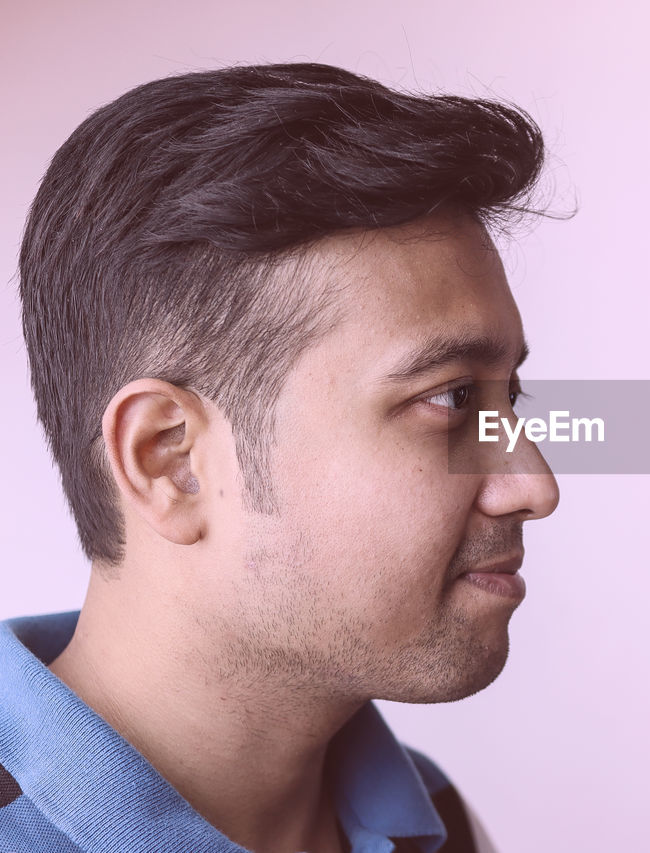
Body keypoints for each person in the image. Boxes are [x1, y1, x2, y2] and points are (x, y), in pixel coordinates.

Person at [0, 62, 560, 853]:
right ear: (170, 459)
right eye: (453, 400)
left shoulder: (437, 824)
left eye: (510, 398)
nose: (533, 485)